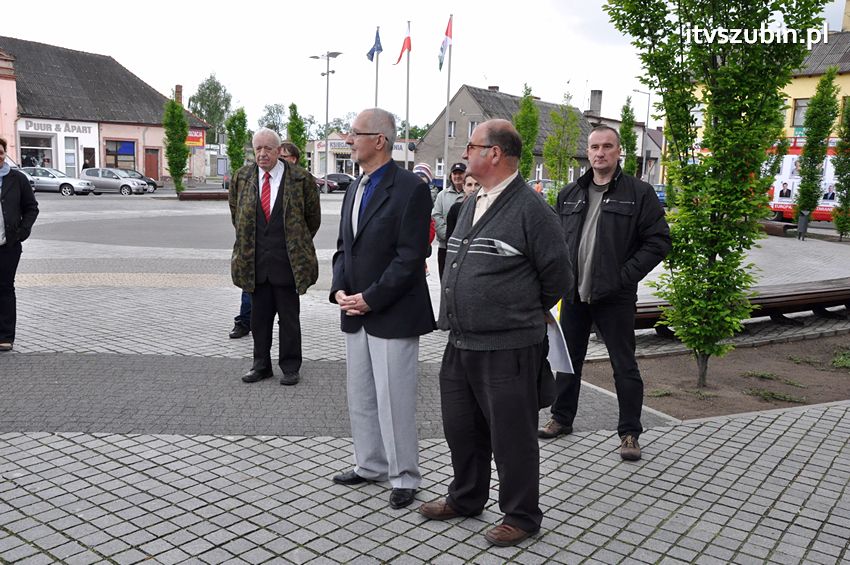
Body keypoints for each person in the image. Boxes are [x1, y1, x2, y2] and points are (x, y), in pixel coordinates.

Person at [418, 120, 570, 547]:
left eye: (472, 145)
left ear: (495, 154)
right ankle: (466, 498)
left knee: (512, 436)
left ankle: (521, 516)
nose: (465, 152)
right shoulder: (473, 200)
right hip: (461, 341)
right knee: (461, 428)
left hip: (508, 346)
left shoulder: (532, 210)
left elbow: (559, 276)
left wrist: (522, 311)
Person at [538, 125, 671, 461]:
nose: (600, 153)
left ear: (619, 151)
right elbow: (554, 241)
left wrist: (623, 277)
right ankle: (561, 418)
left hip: (615, 296)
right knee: (567, 362)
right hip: (573, 295)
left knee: (623, 365)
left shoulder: (638, 193)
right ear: (588, 150)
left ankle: (629, 432)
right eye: (595, 146)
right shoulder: (569, 193)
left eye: (607, 146)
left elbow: (658, 242)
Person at [330, 108, 435, 510]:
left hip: (392, 312)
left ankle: (405, 475)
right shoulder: (355, 187)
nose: (349, 140)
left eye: (356, 134)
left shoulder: (411, 188)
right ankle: (369, 464)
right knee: (360, 395)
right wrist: (340, 289)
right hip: (354, 312)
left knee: (395, 399)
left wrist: (371, 297)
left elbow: (411, 257)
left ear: (379, 140)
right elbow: (345, 249)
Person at [229, 127, 321, 386]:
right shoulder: (242, 177)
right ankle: (261, 365)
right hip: (256, 262)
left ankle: (290, 367)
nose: (262, 154)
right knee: (259, 319)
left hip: (288, 262)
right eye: (257, 148)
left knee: (289, 319)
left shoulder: (301, 178)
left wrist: (296, 242)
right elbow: (237, 215)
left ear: (279, 151)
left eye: (267, 148)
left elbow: (312, 219)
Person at [0, 137, 40, 352]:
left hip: (8, 245)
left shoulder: (17, 179)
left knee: (5, 288)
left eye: (0, 151)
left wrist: (22, 232)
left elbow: (31, 208)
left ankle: (5, 336)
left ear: (5, 153)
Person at [432, 162, 466, 279]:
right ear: (451, 176)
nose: (457, 176)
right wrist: (448, 236)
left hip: (464, 249)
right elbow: (436, 216)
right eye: (455, 173)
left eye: (460, 173)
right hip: (444, 247)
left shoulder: (471, 194)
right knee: (445, 279)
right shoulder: (442, 195)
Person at [445, 174, 479, 240]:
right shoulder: (455, 209)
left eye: (477, 184)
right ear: (464, 187)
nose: (473, 189)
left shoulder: (487, 209)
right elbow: (450, 237)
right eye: (469, 185)